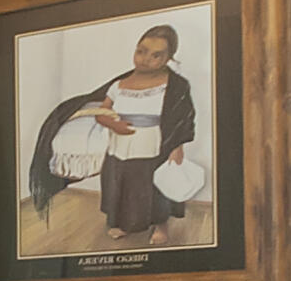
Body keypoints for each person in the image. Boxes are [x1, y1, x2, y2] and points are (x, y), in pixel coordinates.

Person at [27, 24, 197, 244]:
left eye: (156, 55)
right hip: (119, 147)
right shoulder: (120, 84)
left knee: (153, 189)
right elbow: (102, 111)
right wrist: (111, 124)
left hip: (153, 146)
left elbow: (182, 118)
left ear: (168, 58)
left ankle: (160, 226)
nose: (145, 59)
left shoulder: (175, 86)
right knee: (123, 186)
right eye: (141, 51)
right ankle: (125, 224)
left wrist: (177, 148)